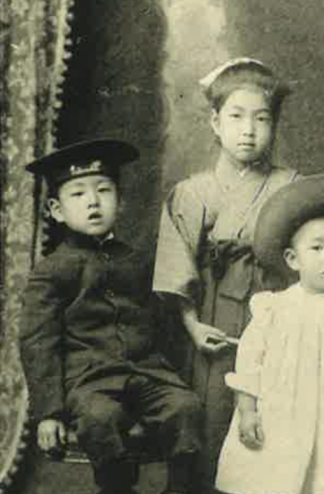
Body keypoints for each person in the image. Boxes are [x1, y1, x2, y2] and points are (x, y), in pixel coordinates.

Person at [19, 139, 202, 494]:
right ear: (57, 210)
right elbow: (37, 341)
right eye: (78, 194)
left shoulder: (136, 260)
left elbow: (160, 323)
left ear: (120, 202)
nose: (93, 201)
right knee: (101, 418)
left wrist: (170, 373)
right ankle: (117, 489)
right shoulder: (52, 270)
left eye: (103, 190)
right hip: (90, 381)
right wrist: (49, 412)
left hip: (147, 372)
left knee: (186, 408)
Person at [152, 57, 299, 492]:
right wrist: (192, 325)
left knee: (269, 424)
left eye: (261, 119)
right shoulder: (192, 192)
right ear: (215, 123)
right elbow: (175, 265)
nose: (248, 130)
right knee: (212, 418)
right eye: (236, 117)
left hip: (272, 318)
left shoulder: (291, 185)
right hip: (211, 320)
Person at [213, 174, 324, 494]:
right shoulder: (274, 308)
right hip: (280, 415)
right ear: (293, 259)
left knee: (323, 479)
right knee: (272, 477)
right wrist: (248, 410)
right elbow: (250, 364)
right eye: (317, 248)